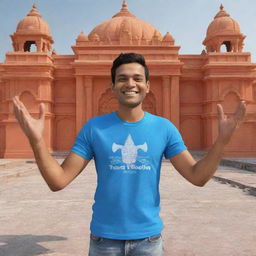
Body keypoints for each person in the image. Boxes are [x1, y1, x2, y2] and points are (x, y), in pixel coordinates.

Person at [12, 52, 246, 256]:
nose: (130, 84)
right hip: (104, 239)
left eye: (137, 78)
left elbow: (198, 176)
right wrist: (36, 139)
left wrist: (222, 141)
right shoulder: (94, 129)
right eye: (122, 78)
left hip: (149, 239)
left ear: (148, 85)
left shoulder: (165, 128)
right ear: (112, 86)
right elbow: (58, 180)